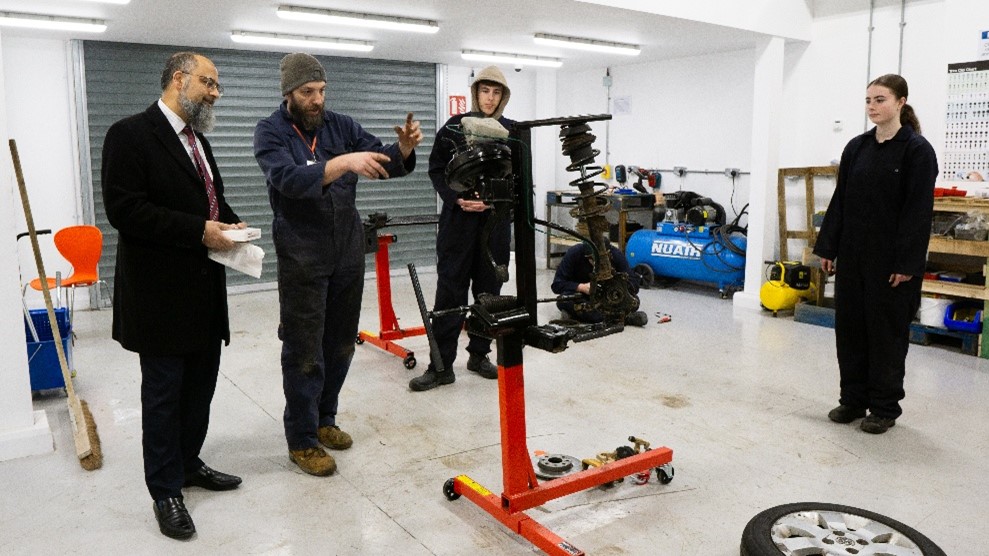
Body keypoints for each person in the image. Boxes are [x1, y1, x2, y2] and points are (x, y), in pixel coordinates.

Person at [253, 53, 422, 476]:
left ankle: (325, 419)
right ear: (288, 94)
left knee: (341, 343)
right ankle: (302, 439)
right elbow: (288, 180)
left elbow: (380, 160)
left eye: (322, 91)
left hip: (346, 248)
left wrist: (402, 149)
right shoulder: (270, 132)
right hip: (301, 252)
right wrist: (343, 162)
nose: (317, 100)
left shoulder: (340, 126)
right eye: (308, 92)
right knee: (304, 349)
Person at [102, 51, 246, 540]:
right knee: (164, 396)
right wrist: (201, 231)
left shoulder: (197, 140)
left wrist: (231, 223)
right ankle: (165, 490)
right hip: (160, 297)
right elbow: (126, 209)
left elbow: (209, 199)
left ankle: (187, 464)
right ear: (180, 79)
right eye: (209, 82)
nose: (215, 92)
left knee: (199, 389)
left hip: (205, 292)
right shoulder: (129, 134)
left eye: (216, 85)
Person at [813, 74, 938, 435]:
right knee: (850, 329)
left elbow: (918, 212)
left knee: (886, 334)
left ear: (900, 103)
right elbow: (841, 200)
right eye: (868, 100)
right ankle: (852, 399)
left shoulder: (916, 151)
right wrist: (829, 247)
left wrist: (906, 264)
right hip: (853, 257)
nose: (872, 107)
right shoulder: (857, 147)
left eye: (880, 100)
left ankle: (883, 407)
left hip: (891, 264)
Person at [408, 66, 514, 392]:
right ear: (476, 92)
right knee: (449, 294)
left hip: (494, 226)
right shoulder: (454, 128)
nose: (490, 98)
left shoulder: (512, 133)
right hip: (458, 225)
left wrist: (496, 202)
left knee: (488, 294)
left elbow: (521, 180)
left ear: (502, 98)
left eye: (496, 93)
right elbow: (436, 169)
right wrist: (455, 199)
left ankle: (479, 355)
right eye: (485, 91)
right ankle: (441, 366)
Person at [551, 242, 649, 327]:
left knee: (634, 301)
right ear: (587, 257)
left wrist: (619, 287)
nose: (597, 265)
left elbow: (634, 282)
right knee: (563, 300)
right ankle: (624, 318)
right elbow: (557, 285)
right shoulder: (574, 253)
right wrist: (581, 287)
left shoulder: (616, 254)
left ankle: (579, 315)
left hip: (608, 297)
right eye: (593, 261)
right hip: (582, 296)